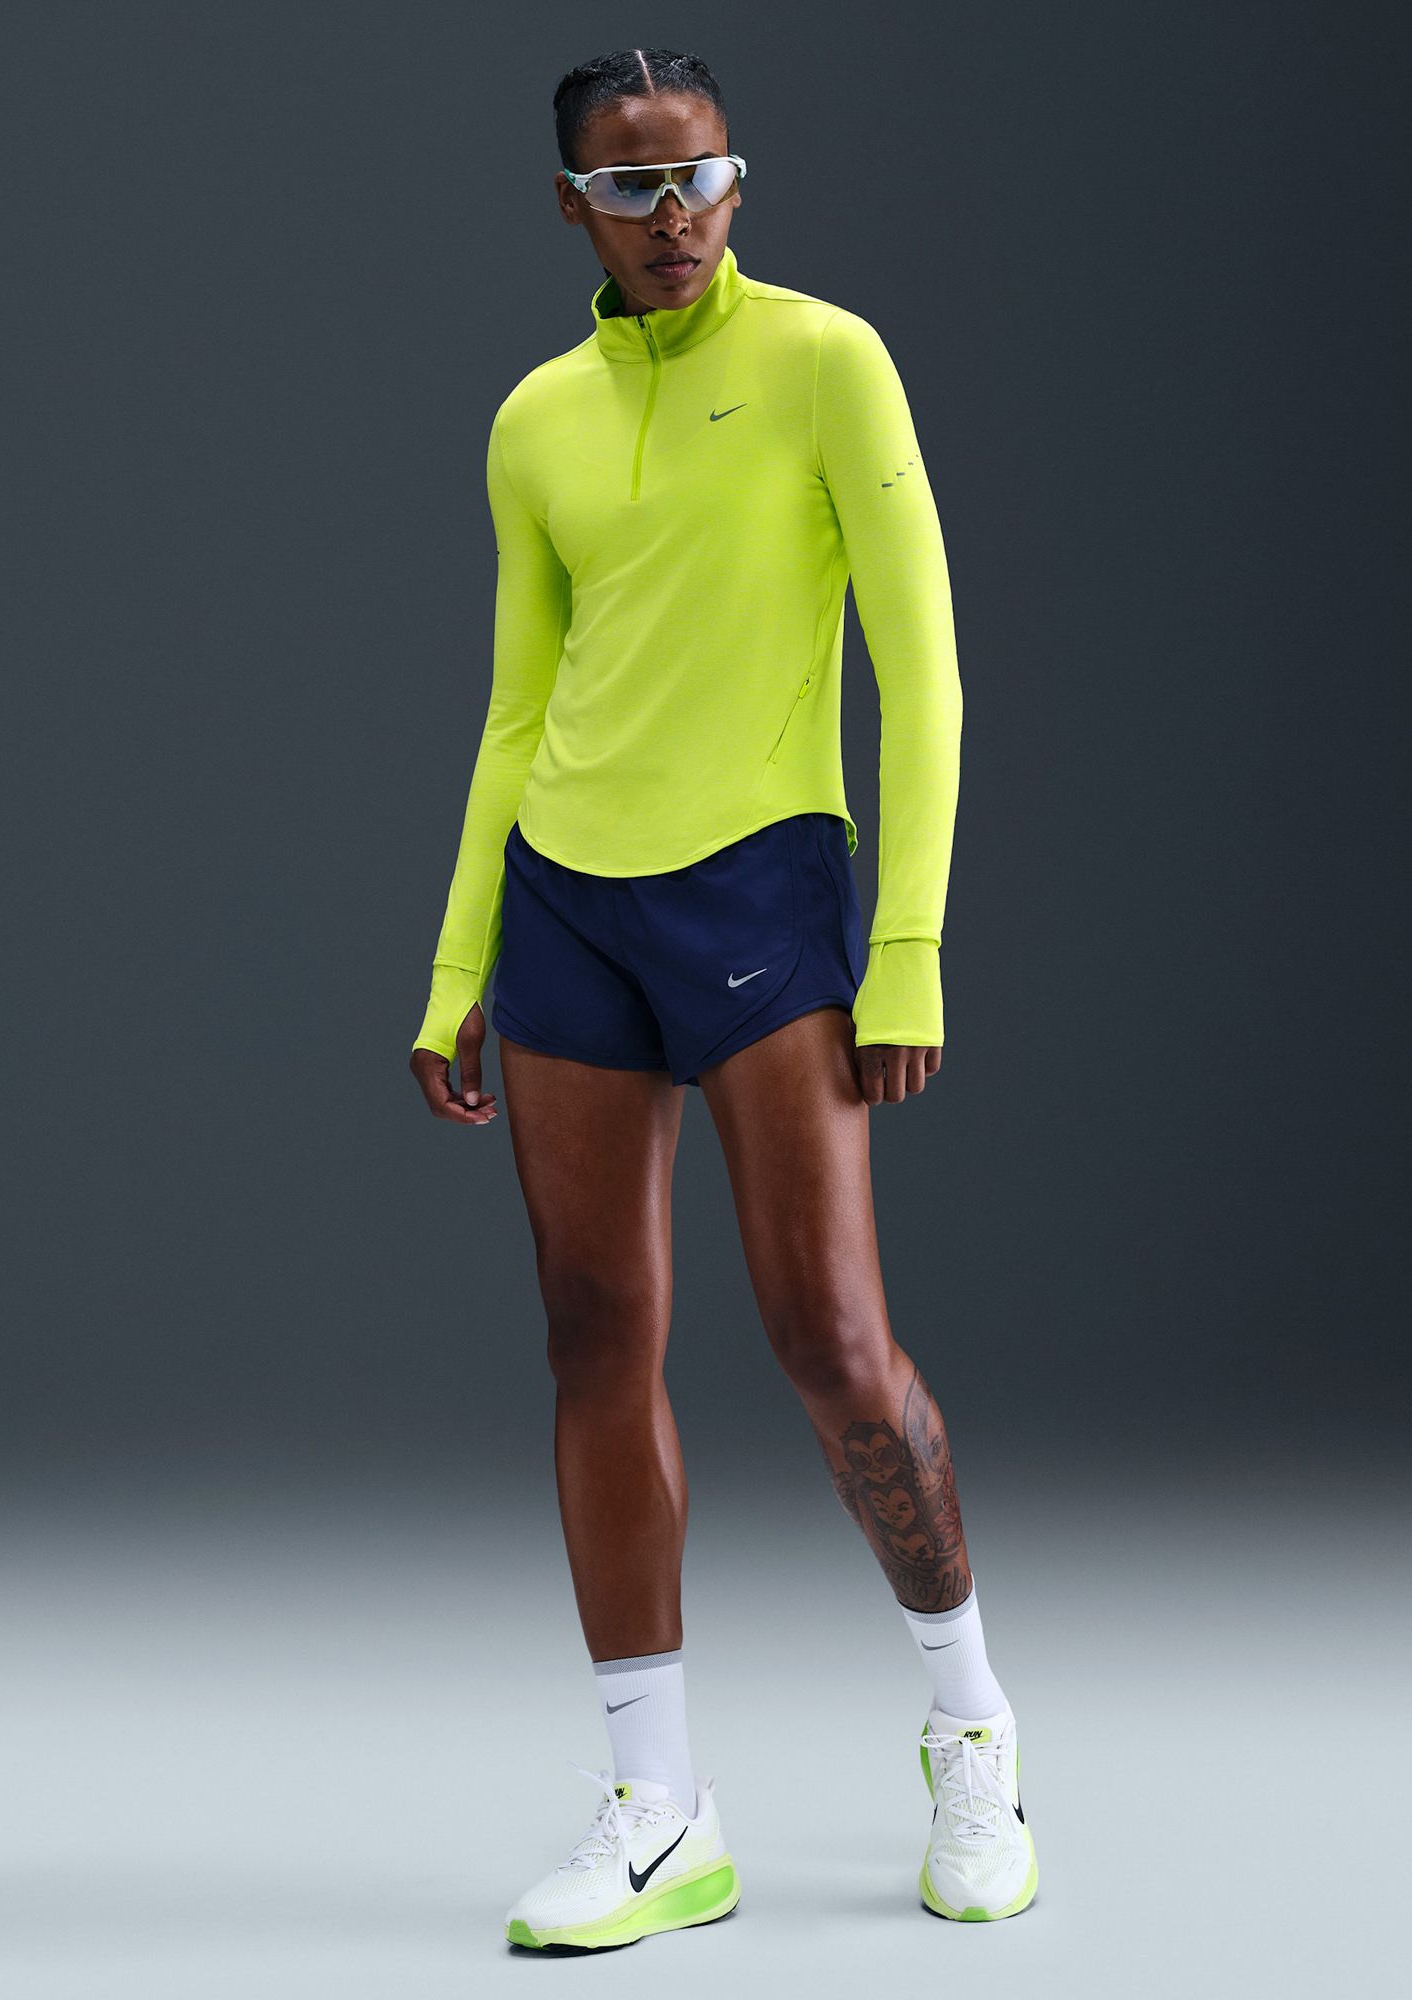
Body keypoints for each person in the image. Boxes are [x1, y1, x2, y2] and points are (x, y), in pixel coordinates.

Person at [408, 47, 1035, 1949]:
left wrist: (909, 945)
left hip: (764, 883)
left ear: (738, 184)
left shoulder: (831, 362)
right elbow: (520, 706)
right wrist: (457, 967)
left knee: (831, 1340)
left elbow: (923, 666)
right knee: (594, 1336)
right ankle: (660, 1811)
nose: (673, 217)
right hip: (567, 902)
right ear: (573, 206)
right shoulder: (534, 420)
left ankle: (972, 1726)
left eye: (700, 178)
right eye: (631, 187)